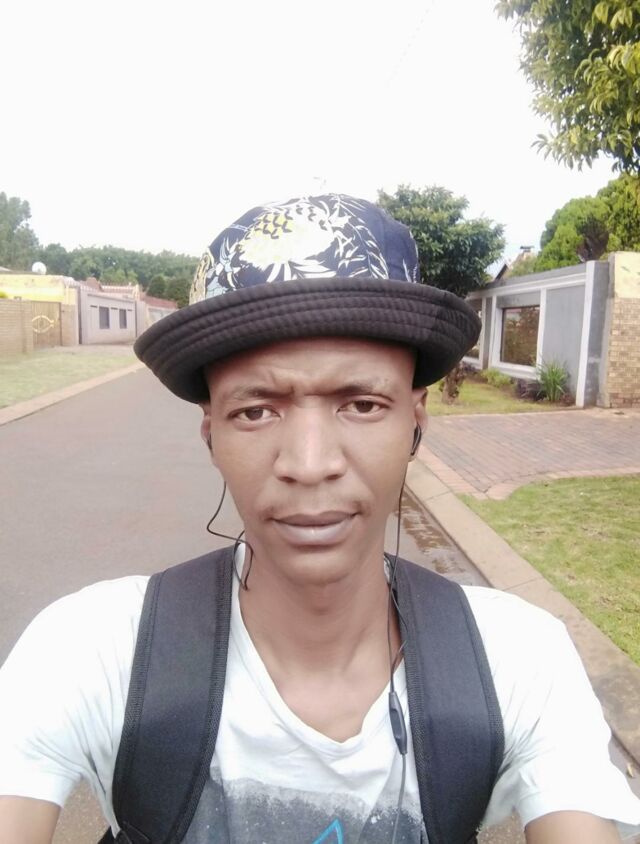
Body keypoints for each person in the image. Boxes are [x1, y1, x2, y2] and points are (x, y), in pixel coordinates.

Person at [0, 193, 638, 844]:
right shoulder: (95, 652)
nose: (309, 465)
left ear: (415, 422)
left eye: (361, 404)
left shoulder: (517, 660)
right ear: (212, 434)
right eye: (255, 411)